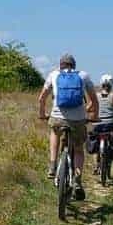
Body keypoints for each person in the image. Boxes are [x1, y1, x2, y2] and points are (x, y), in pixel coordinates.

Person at [37, 53, 98, 200]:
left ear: (61, 65)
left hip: (57, 117)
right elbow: (94, 100)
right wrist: (93, 116)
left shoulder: (54, 75)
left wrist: (42, 113)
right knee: (78, 150)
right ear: (74, 65)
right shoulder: (83, 76)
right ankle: (77, 180)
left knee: (54, 131)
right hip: (78, 119)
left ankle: (52, 164)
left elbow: (42, 98)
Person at [89, 74, 113, 181]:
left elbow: (89, 108)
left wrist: (91, 110)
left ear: (101, 85)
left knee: (96, 145)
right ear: (111, 85)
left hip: (97, 125)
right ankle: (112, 152)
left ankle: (96, 165)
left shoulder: (95, 96)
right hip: (111, 125)